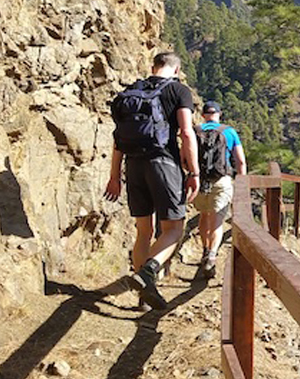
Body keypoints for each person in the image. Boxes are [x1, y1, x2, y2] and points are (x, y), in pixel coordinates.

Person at [104, 52, 199, 310]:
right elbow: (187, 134)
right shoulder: (179, 91)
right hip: (163, 163)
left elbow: (117, 139)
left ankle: (144, 299)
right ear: (177, 69)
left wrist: (115, 176)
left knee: (143, 231)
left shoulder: (129, 93)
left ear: (153, 67)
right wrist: (194, 173)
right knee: (174, 230)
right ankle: (148, 273)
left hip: (132, 165)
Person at [193, 100, 247, 279]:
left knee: (204, 216)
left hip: (200, 181)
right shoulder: (229, 132)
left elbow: (185, 157)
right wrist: (241, 183)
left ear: (203, 115)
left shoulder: (196, 130)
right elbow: (240, 161)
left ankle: (205, 249)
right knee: (217, 221)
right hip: (221, 180)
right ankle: (212, 255)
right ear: (219, 114)